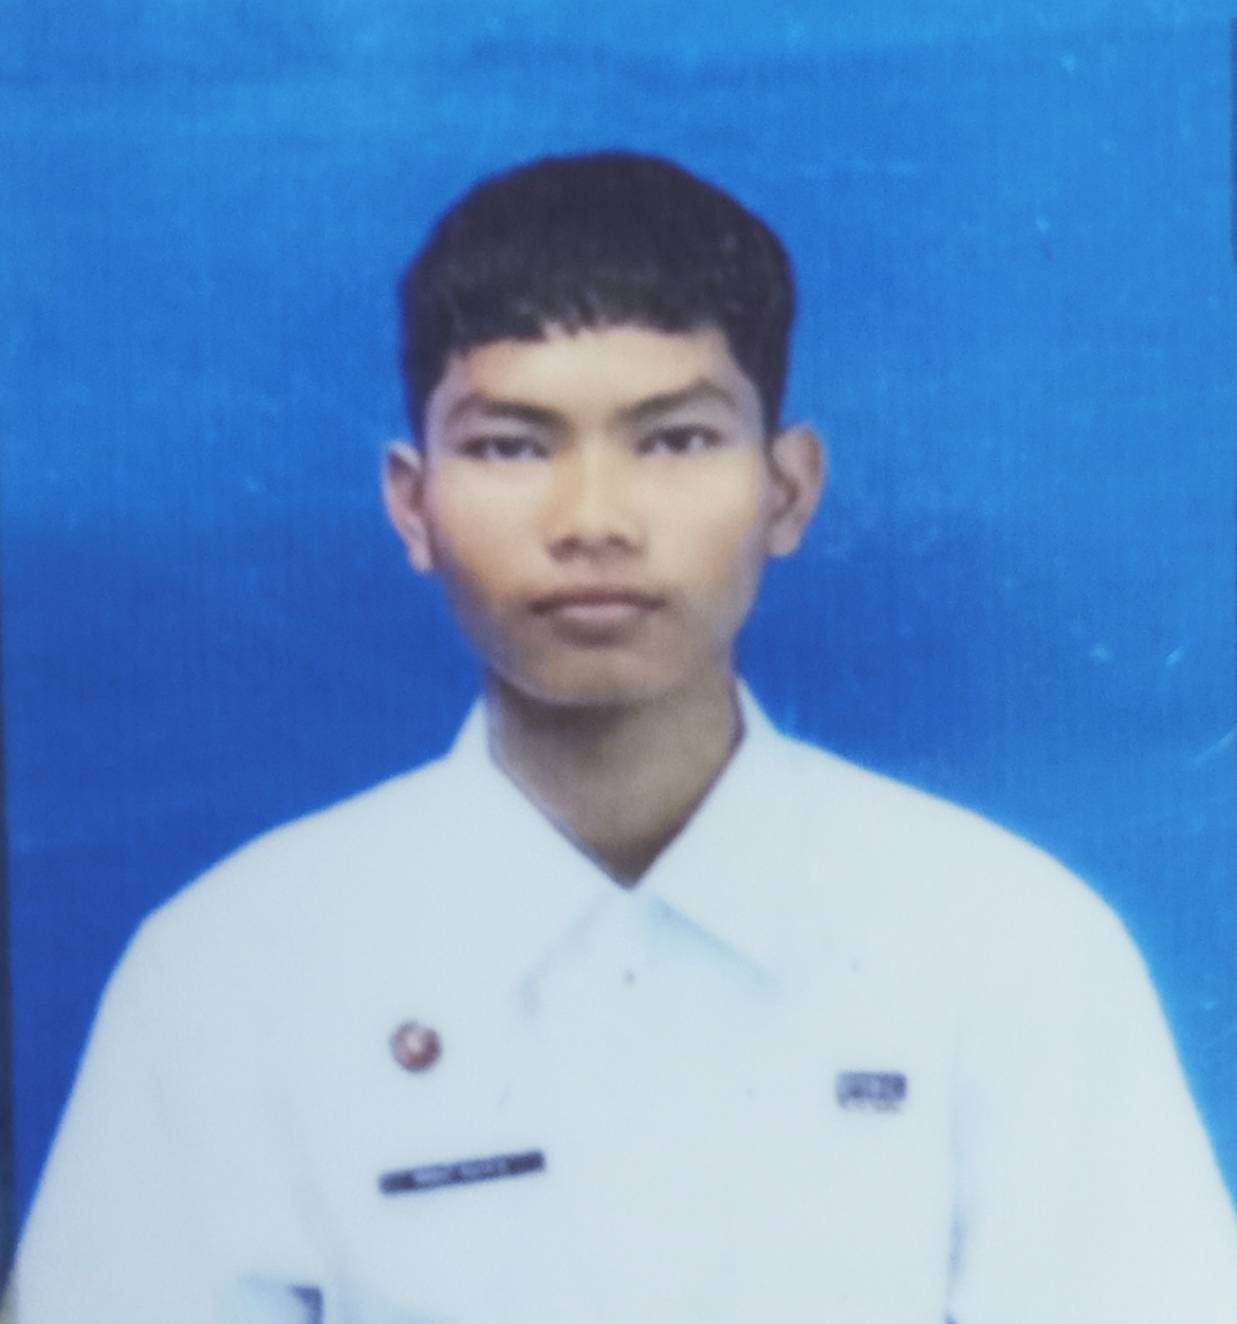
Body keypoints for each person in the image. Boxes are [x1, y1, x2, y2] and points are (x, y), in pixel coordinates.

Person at [5, 151, 1237, 1323]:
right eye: (510, 445)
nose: (592, 519)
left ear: (787, 489)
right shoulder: (231, 974)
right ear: (413, 503)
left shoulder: (1006, 944)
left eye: (675, 439)